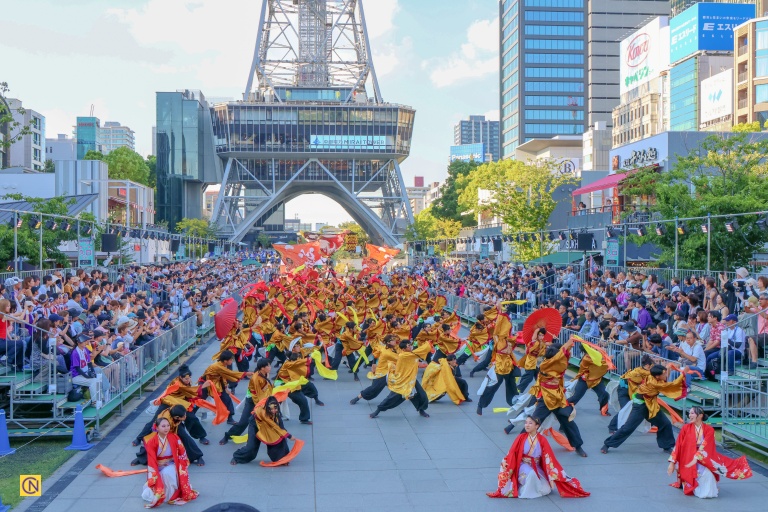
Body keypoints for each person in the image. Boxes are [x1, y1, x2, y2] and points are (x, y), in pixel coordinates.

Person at [487, 416, 590, 499]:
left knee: (546, 488)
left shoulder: (542, 439)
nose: (527, 425)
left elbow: (549, 457)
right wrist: (506, 462)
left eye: (530, 423)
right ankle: (524, 490)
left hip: (536, 465)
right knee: (531, 475)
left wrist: (553, 472)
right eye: (526, 423)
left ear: (537, 426)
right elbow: (512, 453)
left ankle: (527, 486)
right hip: (523, 465)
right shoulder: (520, 437)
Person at [520, 337, 587, 457]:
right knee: (533, 421)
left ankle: (578, 446)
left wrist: (568, 346)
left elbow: (564, 356)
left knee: (568, 421)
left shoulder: (557, 364)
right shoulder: (545, 365)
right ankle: (520, 444)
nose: (562, 359)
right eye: (559, 356)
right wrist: (567, 344)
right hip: (546, 398)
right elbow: (560, 356)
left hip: (559, 398)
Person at [668, 406, 752, 498]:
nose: (689, 415)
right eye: (689, 413)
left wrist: (697, 456)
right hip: (688, 457)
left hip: (703, 458)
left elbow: (706, 446)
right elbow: (678, 445)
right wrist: (672, 463)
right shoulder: (685, 428)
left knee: (708, 479)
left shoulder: (709, 429)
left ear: (700, 415)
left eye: (692, 413)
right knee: (694, 482)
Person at [601, 364, 685, 454]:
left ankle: (667, 446)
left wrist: (669, 367)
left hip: (651, 405)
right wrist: (683, 374)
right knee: (628, 428)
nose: (666, 375)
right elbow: (673, 385)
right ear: (657, 376)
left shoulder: (652, 376)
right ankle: (607, 444)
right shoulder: (655, 383)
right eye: (664, 374)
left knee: (665, 423)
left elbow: (660, 374)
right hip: (640, 406)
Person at [141, 417, 199, 508]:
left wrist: (181, 463)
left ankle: (173, 494)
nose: (166, 428)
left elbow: (182, 452)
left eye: (168, 425)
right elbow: (151, 461)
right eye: (163, 426)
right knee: (162, 475)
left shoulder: (174, 437)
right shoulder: (152, 442)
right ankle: (163, 494)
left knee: (168, 472)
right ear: (157, 427)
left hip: (172, 463)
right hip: (158, 466)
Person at [369, 339, 432, 419]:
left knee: (421, 394)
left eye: (410, 345)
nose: (411, 347)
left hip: (411, 379)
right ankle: (378, 410)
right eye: (408, 346)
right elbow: (418, 352)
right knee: (392, 398)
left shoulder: (409, 354)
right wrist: (427, 344)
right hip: (402, 381)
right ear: (404, 349)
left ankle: (421, 410)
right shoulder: (404, 355)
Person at [220, 358, 273, 445]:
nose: (270, 367)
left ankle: (276, 438)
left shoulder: (265, 374)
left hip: (262, 399)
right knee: (244, 422)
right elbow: (257, 394)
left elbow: (265, 389)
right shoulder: (256, 378)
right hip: (253, 400)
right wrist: (261, 406)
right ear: (262, 368)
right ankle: (228, 436)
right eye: (268, 366)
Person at [476, 313, 519, 416]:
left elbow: (516, 341)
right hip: (499, 367)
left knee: (512, 387)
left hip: (509, 366)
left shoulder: (509, 340)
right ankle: (481, 405)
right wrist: (500, 315)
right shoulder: (497, 339)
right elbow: (495, 331)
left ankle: (516, 405)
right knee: (492, 387)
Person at [231, 396, 293, 465]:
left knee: (280, 438)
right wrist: (289, 436)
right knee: (251, 448)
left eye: (275, 408)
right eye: (271, 409)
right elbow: (273, 425)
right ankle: (236, 457)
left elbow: (281, 428)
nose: (273, 411)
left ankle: (282, 459)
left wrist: (285, 435)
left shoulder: (277, 413)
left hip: (268, 426)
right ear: (267, 408)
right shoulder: (263, 413)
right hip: (256, 425)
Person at [607, 354, 653, 434]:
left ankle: (653, 424)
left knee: (634, 409)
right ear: (647, 365)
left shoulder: (642, 371)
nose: (652, 368)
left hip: (631, 391)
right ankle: (612, 426)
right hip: (623, 390)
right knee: (625, 409)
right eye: (651, 366)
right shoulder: (639, 372)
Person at [350, 334, 399, 405]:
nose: (395, 341)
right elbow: (399, 358)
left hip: (391, 372)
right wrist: (373, 365)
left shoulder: (394, 348)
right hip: (382, 373)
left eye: (395, 339)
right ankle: (358, 397)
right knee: (374, 389)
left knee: (400, 384)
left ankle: (407, 396)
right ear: (388, 342)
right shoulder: (386, 351)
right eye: (393, 340)